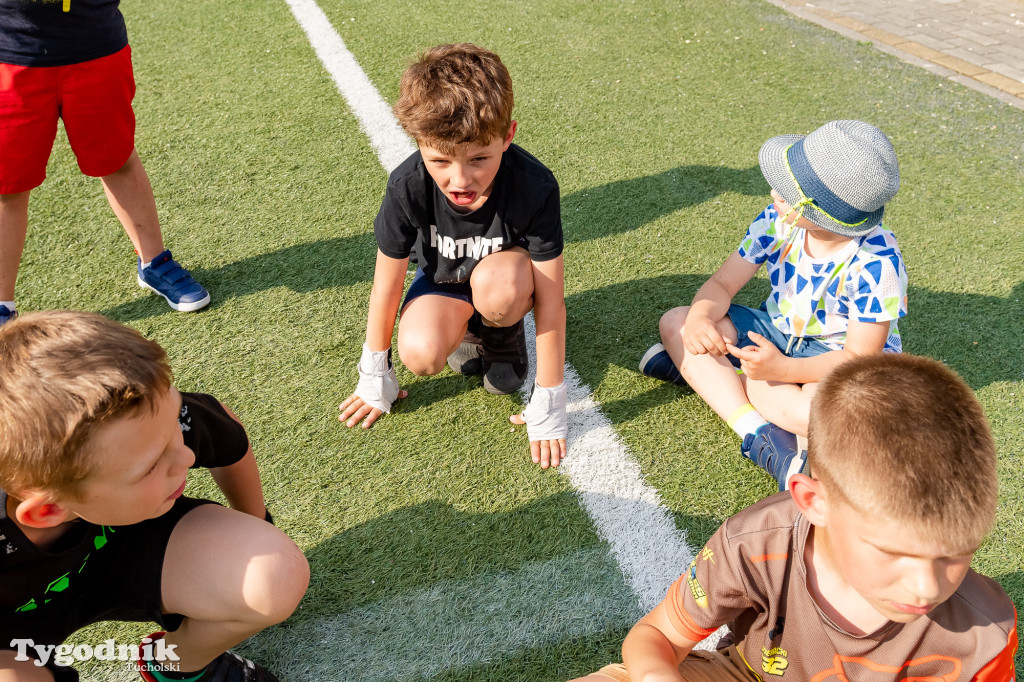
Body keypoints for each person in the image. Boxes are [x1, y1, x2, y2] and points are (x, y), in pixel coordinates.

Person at [572, 353, 1017, 682]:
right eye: (893, 552)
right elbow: (657, 638)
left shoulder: (982, 636)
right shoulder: (755, 543)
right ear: (813, 501)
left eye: (956, 555)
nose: (926, 586)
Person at [0, 311, 308, 681]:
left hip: (129, 544)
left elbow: (227, 436)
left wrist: (256, 521)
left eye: (175, 421)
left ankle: (176, 664)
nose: (187, 457)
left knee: (275, 573)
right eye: (149, 468)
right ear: (49, 508)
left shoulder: (143, 423)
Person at [640, 120, 907, 489]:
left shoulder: (878, 263)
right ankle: (764, 437)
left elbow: (859, 357)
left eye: (784, 191)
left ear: (816, 212)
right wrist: (702, 317)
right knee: (678, 323)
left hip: (837, 358)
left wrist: (781, 369)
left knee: (819, 410)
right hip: (777, 331)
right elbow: (722, 284)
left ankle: (715, 379)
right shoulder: (778, 222)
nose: (771, 192)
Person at [338, 44, 568, 469]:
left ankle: (500, 334)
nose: (459, 179)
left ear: (509, 135)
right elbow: (386, 286)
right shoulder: (406, 185)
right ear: (418, 142)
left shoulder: (534, 185)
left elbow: (552, 298)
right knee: (421, 355)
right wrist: (374, 374)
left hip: (504, 279)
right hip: (444, 281)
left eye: (479, 158)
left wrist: (551, 396)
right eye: (440, 160)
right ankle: (468, 331)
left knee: (500, 290)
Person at [0, 0, 210, 327]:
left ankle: (154, 261)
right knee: (7, 186)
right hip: (11, 53)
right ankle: (2, 303)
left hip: (96, 46)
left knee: (117, 160)